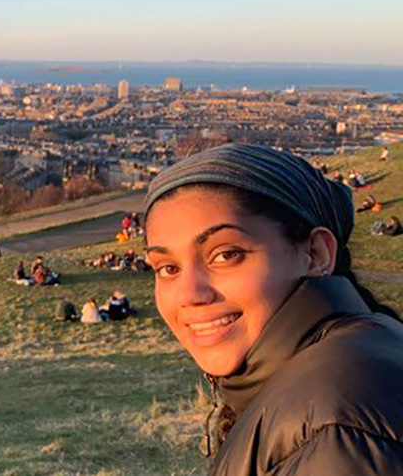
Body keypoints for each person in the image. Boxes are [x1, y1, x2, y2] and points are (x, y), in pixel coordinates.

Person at [143, 143, 403, 474]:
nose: (190, 294)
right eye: (167, 268)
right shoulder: (354, 357)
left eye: (226, 254)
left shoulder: (336, 427)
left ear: (316, 254)